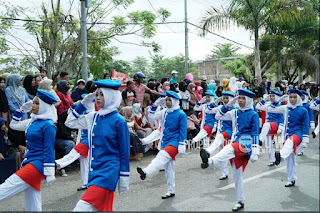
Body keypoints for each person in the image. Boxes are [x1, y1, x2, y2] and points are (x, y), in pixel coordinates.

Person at [65, 79, 130, 211]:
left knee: (80, 209)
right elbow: (70, 122)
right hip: (94, 173)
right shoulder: (93, 117)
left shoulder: (118, 121)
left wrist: (124, 177)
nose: (98, 98)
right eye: (97, 94)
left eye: (102, 95)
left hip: (108, 174)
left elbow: (124, 152)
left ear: (111, 97)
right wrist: (83, 104)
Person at [200, 89, 260, 212]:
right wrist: (228, 105)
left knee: (229, 147)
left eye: (243, 98)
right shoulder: (235, 112)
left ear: (248, 100)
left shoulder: (253, 114)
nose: (241, 101)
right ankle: (240, 201)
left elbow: (255, 133)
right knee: (237, 176)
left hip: (246, 144)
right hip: (236, 142)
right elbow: (218, 116)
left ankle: (210, 161)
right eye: (239, 98)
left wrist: (255, 151)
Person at [0, 89, 58, 211]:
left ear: (44, 106)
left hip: (37, 165)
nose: (33, 105)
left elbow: (49, 149)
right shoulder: (32, 121)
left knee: (6, 187)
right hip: (29, 162)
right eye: (33, 102)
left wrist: (49, 171)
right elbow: (13, 125)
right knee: (33, 200)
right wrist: (21, 111)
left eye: (37, 103)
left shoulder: (48, 125)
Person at [137, 91, 187, 199]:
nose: (167, 102)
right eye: (166, 100)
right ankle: (171, 190)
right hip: (165, 141)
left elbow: (183, 131)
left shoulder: (181, 114)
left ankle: (146, 172)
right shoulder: (164, 112)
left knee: (161, 157)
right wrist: (155, 105)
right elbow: (151, 116)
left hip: (175, 143)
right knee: (169, 168)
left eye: (170, 100)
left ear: (174, 101)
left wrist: (182, 146)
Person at [55, 94, 96, 191]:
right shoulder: (83, 114)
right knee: (84, 162)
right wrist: (74, 106)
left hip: (89, 141)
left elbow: (69, 121)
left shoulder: (93, 115)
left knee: (75, 154)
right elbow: (68, 119)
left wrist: (80, 107)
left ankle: (57, 163)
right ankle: (86, 183)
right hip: (82, 140)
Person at [269, 90, 309, 187]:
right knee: (290, 158)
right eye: (290, 97)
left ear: (298, 98)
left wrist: (305, 140)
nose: (292, 99)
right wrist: (277, 100)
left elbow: (305, 126)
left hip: (297, 134)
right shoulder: (285, 108)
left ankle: (281, 156)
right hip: (287, 135)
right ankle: (291, 179)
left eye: (295, 97)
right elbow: (271, 109)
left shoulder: (303, 110)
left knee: (290, 142)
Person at [201, 91, 236, 180]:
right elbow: (208, 110)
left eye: (227, 98)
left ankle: (208, 152)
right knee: (221, 152)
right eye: (223, 98)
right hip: (221, 132)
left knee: (221, 139)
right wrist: (214, 102)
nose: (225, 100)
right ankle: (225, 173)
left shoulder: (234, 109)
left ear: (231, 99)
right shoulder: (220, 107)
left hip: (229, 133)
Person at [256, 90, 284, 166]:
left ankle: (260, 140)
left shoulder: (280, 107)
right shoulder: (268, 105)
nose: (271, 98)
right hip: (268, 128)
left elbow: (282, 118)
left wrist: (281, 128)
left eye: (273, 96)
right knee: (268, 143)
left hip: (275, 125)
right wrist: (264, 99)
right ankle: (272, 160)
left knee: (266, 124)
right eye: (270, 96)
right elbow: (258, 106)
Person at [297, 90, 315, 156]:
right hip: (298, 122)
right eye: (301, 96)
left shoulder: (308, 105)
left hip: (305, 123)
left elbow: (311, 114)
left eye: (303, 96)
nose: (302, 97)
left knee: (304, 136)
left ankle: (301, 150)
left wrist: (312, 123)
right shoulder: (297, 104)